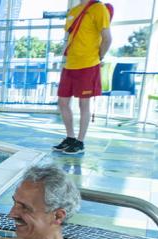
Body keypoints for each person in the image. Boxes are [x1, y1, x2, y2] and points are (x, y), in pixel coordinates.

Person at [53, 0, 112, 155]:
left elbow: (107, 38)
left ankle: (80, 141)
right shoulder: (73, 11)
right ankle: (70, 137)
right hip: (70, 64)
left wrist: (99, 57)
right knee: (62, 102)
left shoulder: (98, 8)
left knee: (83, 104)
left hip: (88, 64)